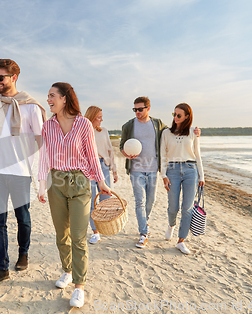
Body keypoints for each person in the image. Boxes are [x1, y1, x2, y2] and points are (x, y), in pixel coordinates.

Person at [38, 82, 111, 308]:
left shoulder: (83, 124)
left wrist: (101, 181)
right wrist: (41, 184)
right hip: (56, 183)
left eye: (52, 96)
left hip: (80, 182)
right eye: (48, 96)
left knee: (79, 236)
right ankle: (67, 271)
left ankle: (79, 285)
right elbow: (44, 156)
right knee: (62, 234)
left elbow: (92, 156)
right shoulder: (48, 126)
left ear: (65, 98)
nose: (48, 99)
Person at [0, 59, 46, 285]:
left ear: (14, 77)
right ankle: (1, 267)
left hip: (20, 172)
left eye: (0, 77)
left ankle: (24, 253)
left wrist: (26, 157)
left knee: (22, 217)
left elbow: (40, 139)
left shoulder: (30, 106)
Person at [120, 97, 199, 249]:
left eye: (140, 109)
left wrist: (195, 132)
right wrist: (125, 153)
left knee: (151, 201)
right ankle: (143, 233)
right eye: (134, 109)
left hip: (152, 169)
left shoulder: (158, 124)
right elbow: (122, 146)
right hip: (136, 169)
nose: (137, 112)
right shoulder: (128, 125)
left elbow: (175, 132)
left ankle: (145, 221)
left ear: (148, 108)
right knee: (140, 201)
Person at [160, 103, 205, 255]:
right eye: (174, 114)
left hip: (190, 170)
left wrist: (202, 176)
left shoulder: (193, 132)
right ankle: (171, 224)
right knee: (173, 207)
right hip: (172, 170)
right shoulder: (166, 133)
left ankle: (181, 241)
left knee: (187, 208)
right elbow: (163, 155)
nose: (175, 117)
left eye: (179, 115)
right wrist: (164, 175)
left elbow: (197, 155)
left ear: (187, 117)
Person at [83, 106, 118, 244]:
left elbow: (110, 151)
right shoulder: (83, 131)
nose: (102, 119)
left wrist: (114, 170)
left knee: (105, 200)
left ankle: (104, 227)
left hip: (103, 166)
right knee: (92, 202)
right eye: (99, 117)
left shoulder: (103, 131)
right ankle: (95, 232)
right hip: (88, 168)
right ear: (91, 117)